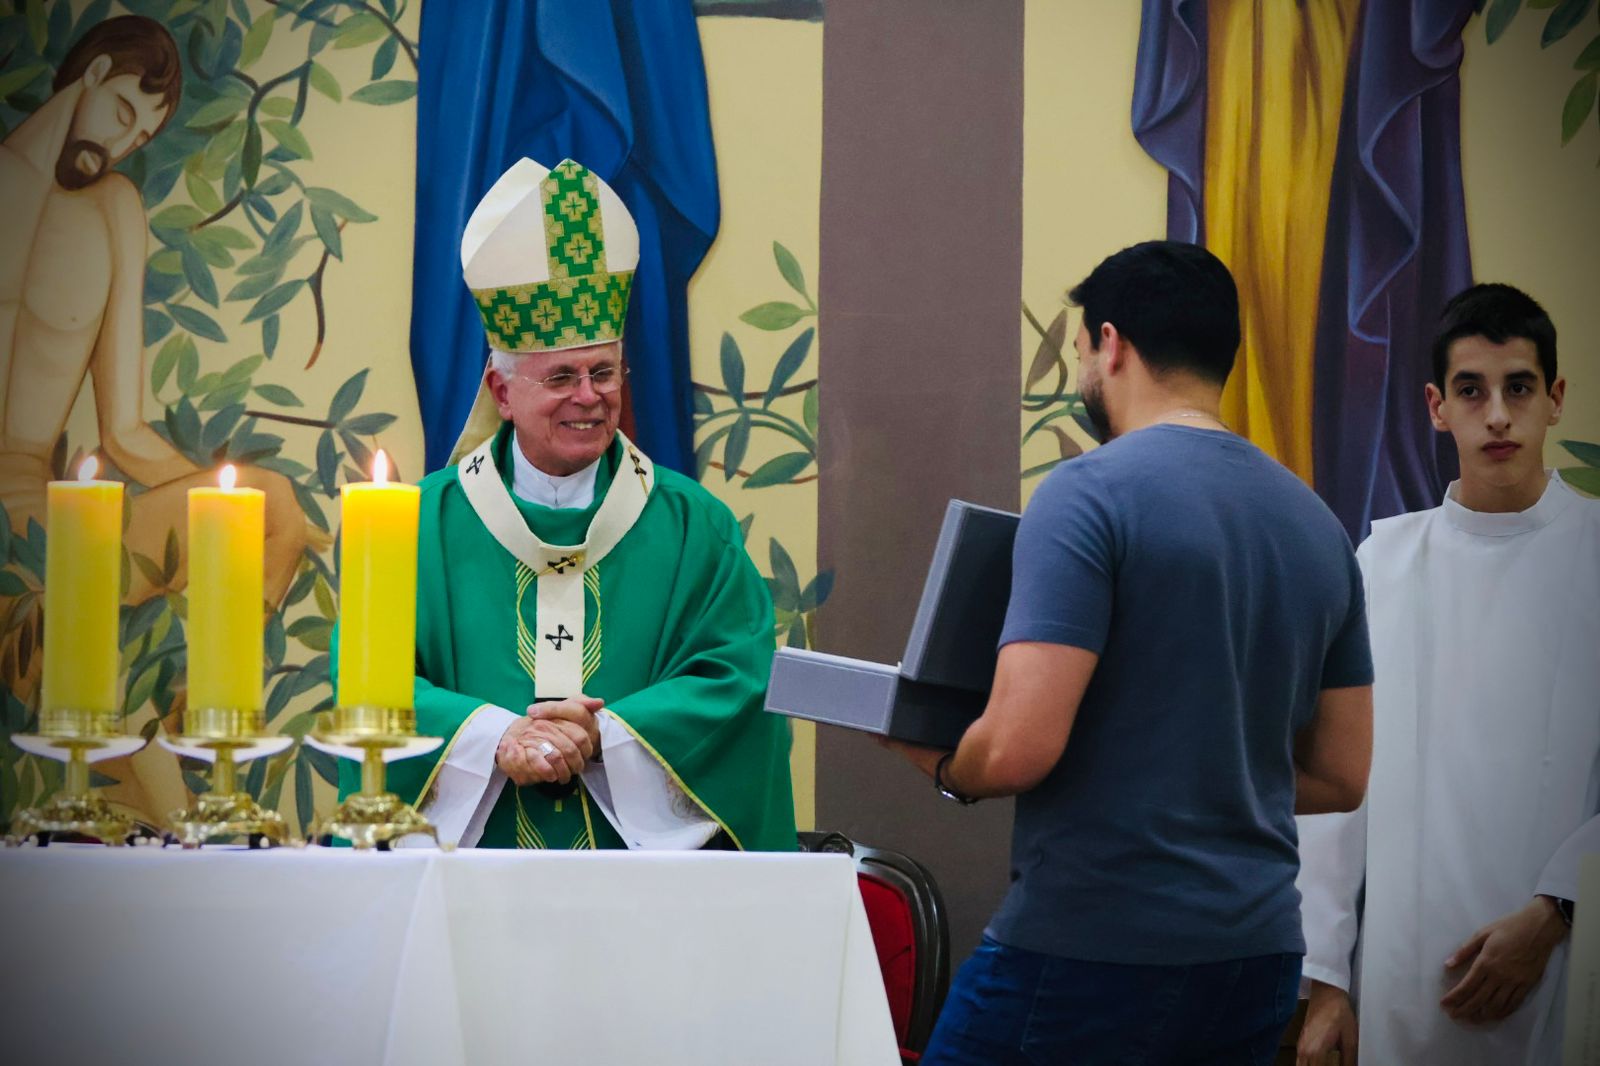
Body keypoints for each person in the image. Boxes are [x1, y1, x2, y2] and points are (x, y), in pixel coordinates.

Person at [885, 240, 1375, 1064]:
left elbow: (1016, 749)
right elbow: (1343, 774)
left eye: (1081, 350)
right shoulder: (1317, 525)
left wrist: (938, 761)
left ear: (1109, 343)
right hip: (1256, 955)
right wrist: (1200, 771)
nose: (1084, 369)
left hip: (1094, 943)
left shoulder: (1088, 494)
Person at [335, 157, 796, 851]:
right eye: (561, 377)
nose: (589, 396)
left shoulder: (694, 527)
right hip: (462, 882)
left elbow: (740, 682)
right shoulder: (416, 526)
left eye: (604, 372)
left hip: (641, 894)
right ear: (502, 392)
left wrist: (604, 735)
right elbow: (370, 681)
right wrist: (497, 737)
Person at [0, 16, 306, 820]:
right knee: (90, 675)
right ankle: (183, 819)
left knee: (271, 505)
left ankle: (201, 720)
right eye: (124, 114)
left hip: (53, 519)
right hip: (9, 555)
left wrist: (222, 509)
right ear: (94, 73)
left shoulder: (114, 210)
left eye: (143, 136)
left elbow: (124, 433)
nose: (124, 143)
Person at [1296, 283, 1599, 1066]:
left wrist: (1559, 907)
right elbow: (1336, 786)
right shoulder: (1381, 565)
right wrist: (1325, 979)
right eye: (1471, 390)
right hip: (1400, 976)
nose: (1496, 415)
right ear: (1437, 407)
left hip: (1571, 957)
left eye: (1519, 387)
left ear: (1555, 398)